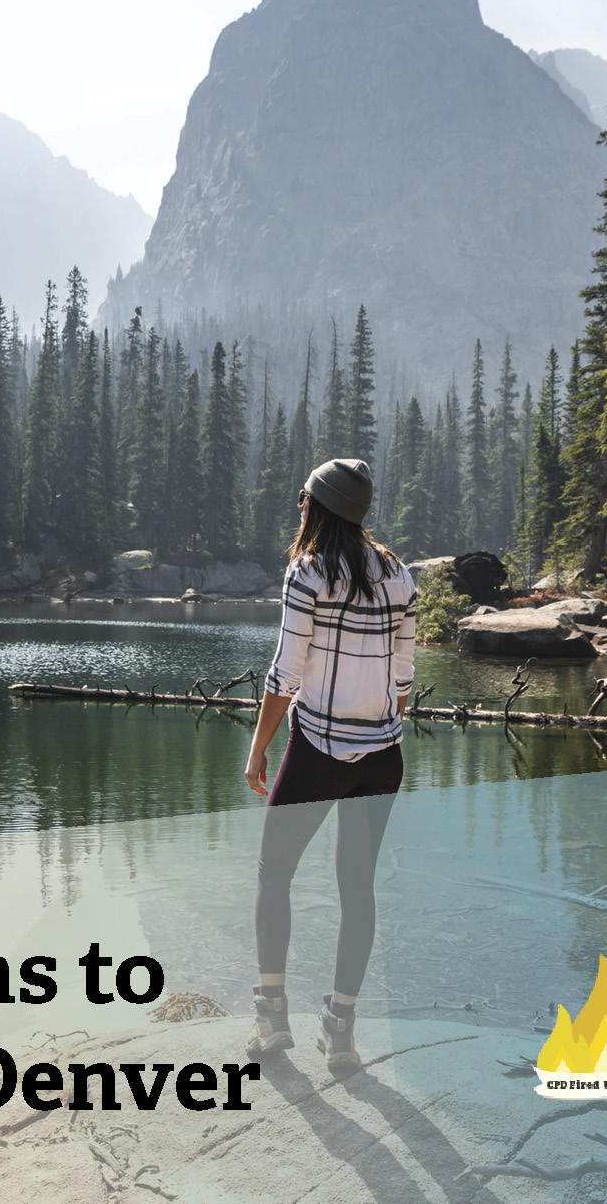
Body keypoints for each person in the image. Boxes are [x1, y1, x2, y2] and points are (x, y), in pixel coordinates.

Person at [243, 458, 416, 1077]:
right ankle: (340, 1032)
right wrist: (373, 725)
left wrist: (259, 745)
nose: (299, 507)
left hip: (317, 752)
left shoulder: (307, 572)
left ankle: (272, 1017)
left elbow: (286, 675)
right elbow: (402, 678)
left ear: (317, 507)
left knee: (274, 874)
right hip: (383, 757)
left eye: (303, 499)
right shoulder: (399, 575)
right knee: (357, 890)